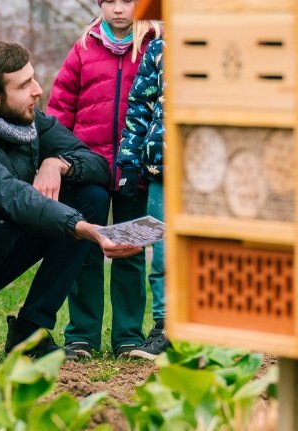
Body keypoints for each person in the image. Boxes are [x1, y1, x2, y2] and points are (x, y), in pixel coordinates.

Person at [0, 41, 142, 359]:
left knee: (91, 195)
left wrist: (59, 164)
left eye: (33, 78)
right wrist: (83, 229)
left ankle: (29, 330)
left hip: (5, 238)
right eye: (24, 85)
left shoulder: (30, 121)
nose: (37, 90)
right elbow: (9, 195)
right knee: (0, 217)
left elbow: (98, 166)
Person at [48, 0, 161, 360]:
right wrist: (60, 156)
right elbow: (61, 108)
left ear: (142, 2)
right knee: (86, 250)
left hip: (136, 169)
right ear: (99, 1)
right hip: (89, 169)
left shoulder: (154, 49)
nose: (118, 8)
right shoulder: (83, 49)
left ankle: (129, 334)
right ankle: (81, 333)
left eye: (127, 0)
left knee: (131, 251)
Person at [115, 36, 169, 360]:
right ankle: (165, 327)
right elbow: (140, 106)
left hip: (213, 168)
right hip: (162, 166)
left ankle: (210, 329)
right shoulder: (159, 48)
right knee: (162, 253)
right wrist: (129, 161)